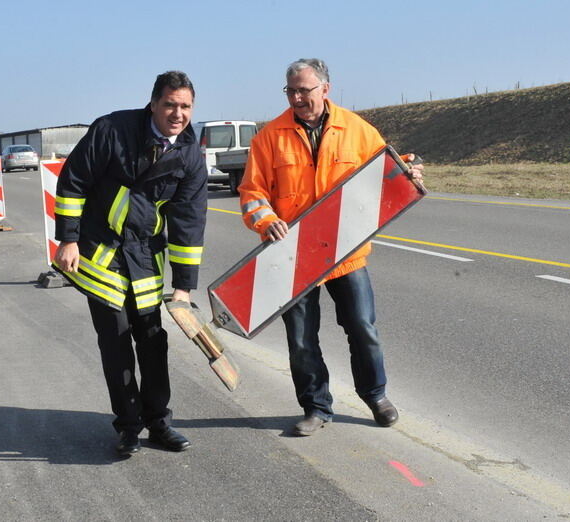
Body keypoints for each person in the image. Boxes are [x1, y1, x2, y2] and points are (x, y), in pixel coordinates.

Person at [238, 58, 425, 436]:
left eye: (304, 90)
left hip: (346, 252)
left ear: (325, 88)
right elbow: (252, 192)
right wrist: (265, 219)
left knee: (362, 327)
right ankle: (316, 407)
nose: (297, 97)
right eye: (290, 91)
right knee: (302, 339)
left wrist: (408, 170)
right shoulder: (269, 136)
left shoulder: (356, 130)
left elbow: (386, 168)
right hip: (292, 255)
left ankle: (376, 395)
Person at [53, 71, 208, 456]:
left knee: (153, 342)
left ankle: (160, 424)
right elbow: (73, 182)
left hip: (144, 258)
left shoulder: (189, 153)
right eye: (170, 104)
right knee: (117, 343)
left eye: (185, 106)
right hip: (100, 252)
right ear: (153, 103)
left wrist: (184, 286)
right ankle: (128, 427)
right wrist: (69, 240)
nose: (177, 114)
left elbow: (188, 222)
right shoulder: (113, 129)